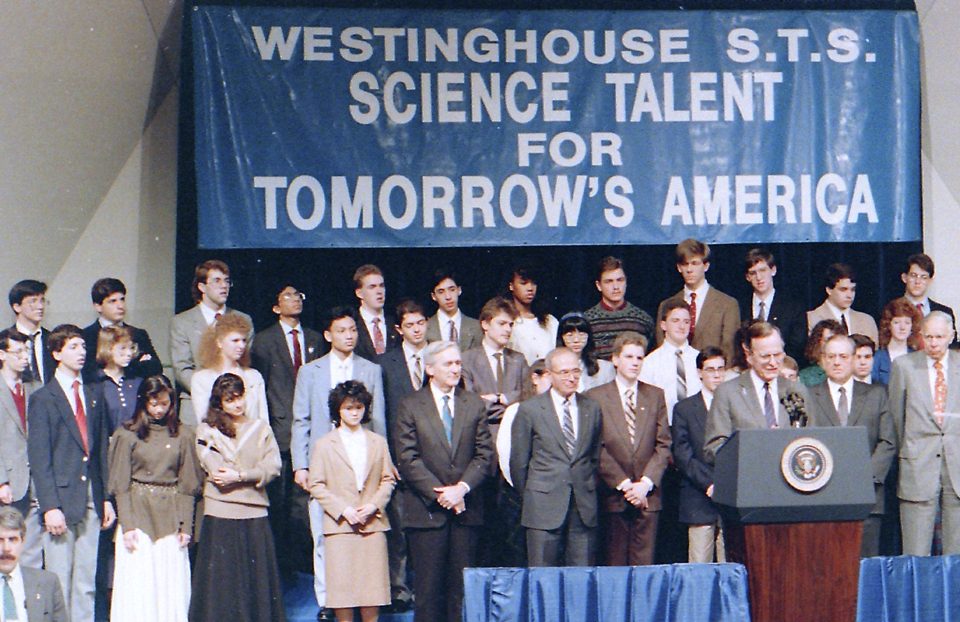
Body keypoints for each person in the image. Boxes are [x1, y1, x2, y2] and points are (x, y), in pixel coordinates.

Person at [291, 306, 385, 620]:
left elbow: (379, 420)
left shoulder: (370, 369)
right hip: (324, 460)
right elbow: (301, 420)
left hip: (362, 463)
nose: (349, 335)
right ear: (329, 335)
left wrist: (385, 462)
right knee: (323, 534)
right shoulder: (310, 370)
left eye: (353, 330)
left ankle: (362, 598)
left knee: (363, 538)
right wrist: (300, 465)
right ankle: (328, 601)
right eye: (342, 330)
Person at [393, 341, 493, 622]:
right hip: (427, 514)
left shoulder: (473, 403)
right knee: (427, 592)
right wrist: (441, 494)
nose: (455, 369)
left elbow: (485, 454)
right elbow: (407, 458)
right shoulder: (410, 405)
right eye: (448, 364)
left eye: (458, 363)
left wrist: (461, 489)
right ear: (429, 369)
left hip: (466, 511)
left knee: (461, 593)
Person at [27, 324, 116, 622]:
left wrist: (105, 499)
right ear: (56, 353)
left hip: (91, 494)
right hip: (61, 501)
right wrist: (49, 506)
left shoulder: (92, 393)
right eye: (74, 346)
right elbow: (40, 458)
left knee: (86, 581)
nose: (82, 352)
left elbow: (101, 449)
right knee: (59, 580)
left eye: (83, 346)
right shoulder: (43, 398)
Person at [107, 376, 202, 622]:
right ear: (143, 402)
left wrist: (186, 525)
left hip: (170, 515)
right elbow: (120, 485)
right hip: (137, 515)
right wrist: (127, 526)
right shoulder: (127, 434)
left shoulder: (183, 435)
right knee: (138, 587)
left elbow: (188, 484)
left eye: (165, 403)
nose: (160, 409)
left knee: (170, 586)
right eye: (154, 403)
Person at [190, 373, 283, 622]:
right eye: (230, 399)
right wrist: (239, 475)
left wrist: (242, 475)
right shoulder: (206, 430)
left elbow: (273, 465)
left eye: (239, 397)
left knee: (256, 578)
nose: (237, 404)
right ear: (219, 402)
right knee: (223, 580)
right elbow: (215, 468)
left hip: (254, 509)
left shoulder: (261, 427)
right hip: (221, 509)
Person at [249, 284, 324, 581]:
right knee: (283, 502)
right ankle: (285, 565)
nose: (296, 300)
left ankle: (308, 562)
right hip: (281, 430)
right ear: (276, 307)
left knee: (307, 499)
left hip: (312, 430)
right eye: (288, 297)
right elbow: (263, 388)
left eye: (299, 296)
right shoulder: (264, 341)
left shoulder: (316, 338)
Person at [308, 381, 396, 622]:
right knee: (342, 592)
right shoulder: (324, 444)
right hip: (340, 527)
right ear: (338, 410)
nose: (354, 412)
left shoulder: (377, 442)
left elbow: (388, 479)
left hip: (372, 524)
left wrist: (373, 505)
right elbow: (315, 484)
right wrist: (343, 509)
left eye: (359, 407)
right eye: (348, 408)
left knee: (372, 591)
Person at [511, 347, 603, 567]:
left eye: (575, 371)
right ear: (549, 375)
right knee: (543, 579)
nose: (571, 378)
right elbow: (519, 463)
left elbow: (594, 456)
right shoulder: (529, 409)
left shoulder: (592, 407)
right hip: (542, 505)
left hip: (582, 506)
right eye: (564, 372)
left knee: (580, 579)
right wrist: (535, 495)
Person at [805, 335, 895, 557]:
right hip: (822, 497)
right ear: (823, 360)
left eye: (843, 356)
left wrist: (864, 478)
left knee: (865, 570)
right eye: (831, 356)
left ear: (854, 359)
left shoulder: (877, 394)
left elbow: (888, 441)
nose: (837, 362)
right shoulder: (807, 396)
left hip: (867, 497)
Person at [586, 333, 671, 566]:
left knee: (644, 570)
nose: (635, 362)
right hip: (613, 497)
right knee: (614, 568)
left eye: (640, 358)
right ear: (615, 359)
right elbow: (596, 448)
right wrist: (625, 485)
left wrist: (644, 484)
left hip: (648, 497)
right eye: (629, 356)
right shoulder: (595, 397)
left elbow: (663, 445)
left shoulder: (655, 396)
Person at [888, 311, 960, 556]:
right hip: (917, 466)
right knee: (915, 552)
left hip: (957, 466)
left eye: (940, 336)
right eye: (928, 336)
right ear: (920, 336)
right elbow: (896, 420)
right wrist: (907, 455)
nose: (934, 343)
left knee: (956, 555)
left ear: (952, 336)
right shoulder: (903, 366)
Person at [377, 300, 429, 611]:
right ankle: (399, 589)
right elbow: (381, 415)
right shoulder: (385, 363)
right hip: (397, 458)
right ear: (399, 329)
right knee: (396, 527)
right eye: (410, 325)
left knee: (428, 529)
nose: (417, 329)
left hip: (433, 458)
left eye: (421, 322)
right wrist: (389, 459)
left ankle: (427, 586)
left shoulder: (438, 357)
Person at [704, 322, 808, 463]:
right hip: (747, 479)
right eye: (765, 356)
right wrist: (760, 446)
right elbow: (713, 449)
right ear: (749, 356)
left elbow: (812, 441)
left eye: (777, 355)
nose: (773, 362)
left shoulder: (797, 391)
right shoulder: (727, 392)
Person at [170, 260, 253, 427]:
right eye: (217, 280)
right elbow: (182, 368)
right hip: (196, 406)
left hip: (236, 407)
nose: (224, 286)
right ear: (202, 287)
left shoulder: (243, 320)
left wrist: (230, 396)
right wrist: (215, 393)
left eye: (227, 281)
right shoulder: (182, 322)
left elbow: (244, 362)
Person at [672, 347, 728, 563]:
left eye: (720, 369)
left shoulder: (735, 405)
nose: (716, 375)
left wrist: (724, 485)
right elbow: (682, 455)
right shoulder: (684, 408)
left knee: (729, 564)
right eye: (710, 369)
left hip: (730, 496)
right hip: (698, 495)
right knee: (699, 567)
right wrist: (710, 484)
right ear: (699, 372)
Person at [495, 360, 551, 567]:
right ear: (535, 378)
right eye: (548, 375)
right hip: (519, 496)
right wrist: (525, 489)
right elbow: (506, 456)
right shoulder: (516, 409)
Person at [656, 239, 740, 362]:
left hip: (714, 376)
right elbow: (661, 348)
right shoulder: (666, 305)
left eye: (695, 263)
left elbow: (729, 350)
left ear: (706, 266)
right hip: (675, 376)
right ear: (679, 267)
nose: (689, 269)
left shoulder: (727, 304)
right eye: (685, 264)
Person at [0, 330, 43, 568]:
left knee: (31, 553)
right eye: (17, 352)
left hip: (34, 481)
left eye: (26, 350)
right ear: (2, 354)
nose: (24, 356)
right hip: (7, 481)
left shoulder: (35, 387)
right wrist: (1, 481)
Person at [460, 297, 528, 429]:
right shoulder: (467, 360)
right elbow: (472, 405)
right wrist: (511, 408)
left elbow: (528, 394)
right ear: (485, 324)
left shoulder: (518, 360)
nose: (508, 329)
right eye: (501, 323)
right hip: (483, 435)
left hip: (515, 432)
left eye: (510, 324)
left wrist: (499, 398)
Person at [190, 313, 268, 425]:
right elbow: (205, 421)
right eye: (235, 340)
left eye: (244, 340)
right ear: (219, 342)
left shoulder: (254, 376)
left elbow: (264, 421)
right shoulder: (202, 379)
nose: (241, 345)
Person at [82, 278, 162, 381]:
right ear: (98, 306)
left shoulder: (138, 334)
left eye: (122, 299)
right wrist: (136, 363)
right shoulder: (87, 336)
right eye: (112, 301)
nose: (120, 306)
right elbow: (90, 372)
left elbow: (156, 368)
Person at [739, 249, 808, 363]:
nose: (759, 277)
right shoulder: (739, 306)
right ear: (747, 277)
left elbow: (797, 346)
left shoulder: (793, 307)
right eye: (753, 273)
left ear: (773, 270)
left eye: (763, 270)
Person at [0, 505, 68, 622]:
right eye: (0, 540)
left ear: (23, 541)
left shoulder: (48, 583)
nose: (6, 548)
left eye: (12, 539)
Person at [640, 299, 702, 420]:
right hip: (665, 426)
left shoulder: (699, 358)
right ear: (663, 325)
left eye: (686, 321)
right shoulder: (650, 362)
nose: (681, 326)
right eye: (675, 321)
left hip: (697, 425)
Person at [583, 257, 655, 360]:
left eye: (620, 280)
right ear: (598, 286)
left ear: (626, 282)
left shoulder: (642, 320)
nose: (616, 286)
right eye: (609, 281)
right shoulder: (588, 321)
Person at [806, 263, 879, 346]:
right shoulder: (811, 319)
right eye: (843, 289)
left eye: (852, 290)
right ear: (829, 290)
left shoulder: (867, 321)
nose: (849, 295)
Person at [504, 265, 559, 365]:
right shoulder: (506, 322)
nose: (530, 288)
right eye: (523, 283)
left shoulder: (550, 321)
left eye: (533, 284)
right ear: (511, 286)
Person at [93, 326, 143, 433]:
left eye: (131, 347)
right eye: (122, 348)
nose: (129, 353)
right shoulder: (95, 383)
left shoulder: (137, 381)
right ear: (108, 348)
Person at [901, 253, 957, 339]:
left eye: (924, 277)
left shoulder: (944, 312)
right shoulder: (891, 310)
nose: (918, 281)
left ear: (930, 281)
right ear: (904, 277)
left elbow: (951, 347)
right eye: (913, 275)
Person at [8, 280, 54, 384]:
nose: (40, 306)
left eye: (42, 300)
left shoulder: (52, 339)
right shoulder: (6, 340)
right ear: (17, 307)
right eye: (33, 301)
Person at [425, 270, 482, 352]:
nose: (448, 297)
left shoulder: (476, 327)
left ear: (459, 290)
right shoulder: (426, 327)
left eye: (452, 290)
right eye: (441, 292)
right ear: (433, 296)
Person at [557, 313, 615, 393]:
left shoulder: (605, 368)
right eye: (570, 335)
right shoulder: (553, 368)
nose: (576, 340)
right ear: (561, 337)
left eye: (582, 334)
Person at [353, 265, 399, 361]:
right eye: (372, 287)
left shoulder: (395, 322)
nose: (379, 291)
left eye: (381, 286)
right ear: (359, 293)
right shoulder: (352, 324)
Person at [873, 298, 922, 386]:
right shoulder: (877, 358)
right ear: (888, 325)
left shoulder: (917, 359)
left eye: (907, 323)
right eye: (896, 322)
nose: (902, 327)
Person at [798, 319, 845, 387]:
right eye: (826, 340)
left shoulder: (847, 371)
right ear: (817, 342)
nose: (831, 344)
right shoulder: (805, 376)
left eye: (835, 340)